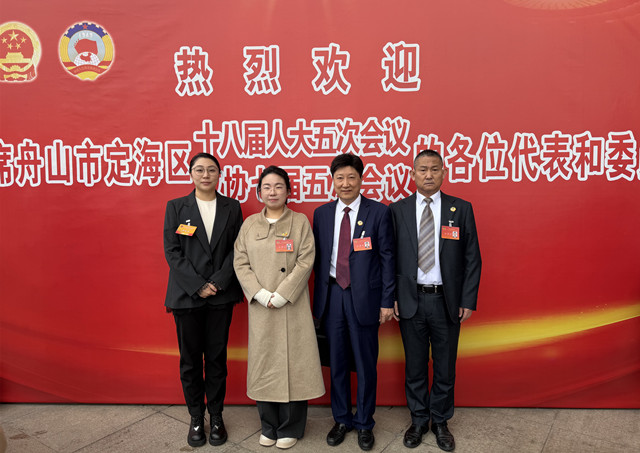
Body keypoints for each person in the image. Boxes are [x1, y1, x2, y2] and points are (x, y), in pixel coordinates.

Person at [389, 150, 482, 452]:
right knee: (415, 366)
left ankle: (440, 421)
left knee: (445, 366)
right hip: (411, 300)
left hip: (446, 302)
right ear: (412, 174)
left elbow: (472, 258)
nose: (428, 175)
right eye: (422, 169)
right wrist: (392, 298)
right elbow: (389, 258)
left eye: (434, 169)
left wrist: (467, 299)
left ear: (444, 172)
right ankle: (418, 420)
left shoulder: (461, 208)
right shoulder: (398, 210)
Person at [233, 166, 324, 450]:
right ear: (259, 192)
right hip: (262, 306)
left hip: (291, 305)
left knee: (296, 365)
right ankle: (268, 425)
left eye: (278, 186)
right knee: (265, 364)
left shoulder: (299, 222)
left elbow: (306, 259)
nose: (272, 192)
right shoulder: (249, 224)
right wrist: (259, 293)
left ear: (288, 191)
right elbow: (240, 261)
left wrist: (284, 294)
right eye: (267, 187)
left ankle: (291, 426)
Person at [312, 153, 395, 451]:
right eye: (339, 178)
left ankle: (364, 422)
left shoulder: (379, 212)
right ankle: (342, 419)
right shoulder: (321, 214)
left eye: (351, 177)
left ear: (361, 179)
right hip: (332, 295)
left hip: (365, 299)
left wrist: (387, 301)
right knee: (336, 363)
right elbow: (317, 258)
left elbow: (388, 258)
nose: (345, 183)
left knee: (365, 363)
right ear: (332, 181)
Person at [163, 152, 243, 448]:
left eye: (211, 170)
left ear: (219, 174)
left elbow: (238, 248)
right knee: (190, 360)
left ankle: (217, 415)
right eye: (199, 170)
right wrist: (198, 286)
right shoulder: (176, 206)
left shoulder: (232, 207)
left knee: (217, 359)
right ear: (191, 174)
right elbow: (172, 250)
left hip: (220, 295)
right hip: (187, 296)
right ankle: (196, 417)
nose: (205, 175)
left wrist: (218, 282)